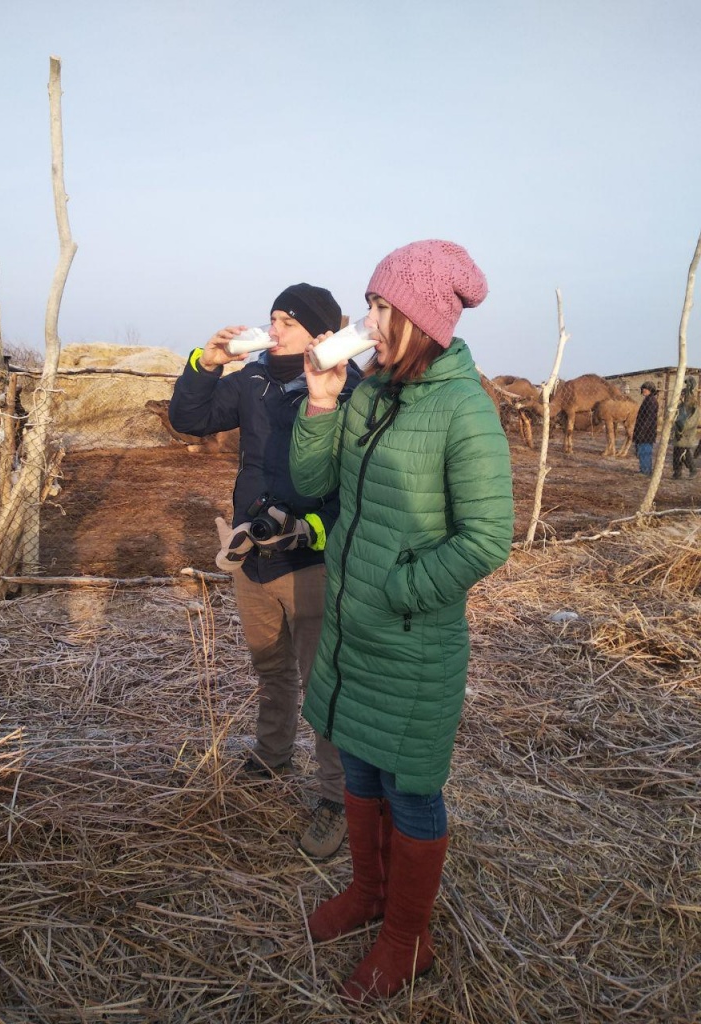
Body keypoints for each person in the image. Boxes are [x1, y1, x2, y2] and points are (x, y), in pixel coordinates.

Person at [289, 240, 515, 1003]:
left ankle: (406, 937)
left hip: (412, 641)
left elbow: (488, 537)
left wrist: (398, 588)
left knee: (411, 790)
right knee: (356, 763)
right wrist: (322, 400)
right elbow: (315, 482)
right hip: (356, 636)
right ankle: (367, 892)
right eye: (372, 303)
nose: (369, 320)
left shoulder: (464, 409)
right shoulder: (368, 391)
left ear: (419, 318)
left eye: (383, 308)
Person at [169, 283, 361, 859]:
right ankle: (273, 755)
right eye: (273, 317)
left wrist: (315, 529)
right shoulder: (252, 382)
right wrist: (206, 363)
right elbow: (190, 417)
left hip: (313, 562)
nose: (274, 329)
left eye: (288, 321)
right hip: (250, 553)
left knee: (322, 684)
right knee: (271, 668)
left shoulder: (348, 389)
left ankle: (335, 798)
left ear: (321, 333)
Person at [672, 377, 700, 479]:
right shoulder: (681, 406)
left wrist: (682, 430)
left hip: (685, 434)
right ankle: (677, 473)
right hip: (678, 434)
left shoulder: (693, 407)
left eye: (682, 395)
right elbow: (675, 417)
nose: (680, 396)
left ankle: (693, 470)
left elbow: (691, 421)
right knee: (676, 454)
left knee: (684, 454)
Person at [632, 381, 659, 475]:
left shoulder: (651, 401)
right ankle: (644, 469)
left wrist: (641, 432)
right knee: (642, 451)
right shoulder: (648, 400)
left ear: (651, 390)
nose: (644, 390)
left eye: (646, 389)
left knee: (645, 452)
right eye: (643, 388)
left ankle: (646, 471)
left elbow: (648, 419)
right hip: (644, 430)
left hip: (647, 432)